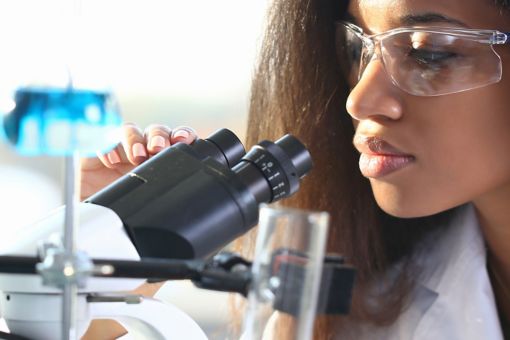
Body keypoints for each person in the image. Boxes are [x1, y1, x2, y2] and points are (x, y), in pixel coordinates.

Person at [80, 0, 510, 338]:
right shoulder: (343, 320)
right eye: (357, 49)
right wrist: (111, 281)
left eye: (428, 53)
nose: (358, 101)